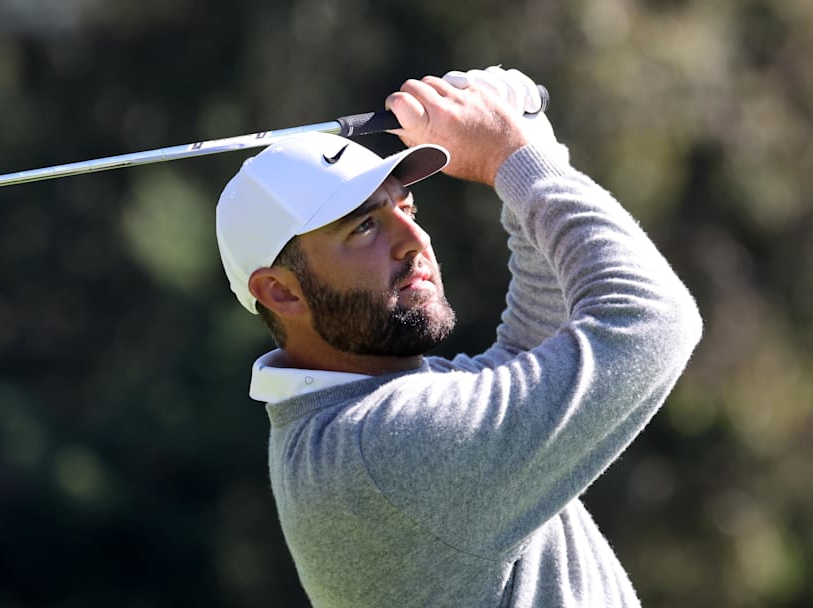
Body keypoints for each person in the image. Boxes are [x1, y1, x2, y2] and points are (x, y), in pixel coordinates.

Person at [215, 65, 702, 607]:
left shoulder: (356, 412)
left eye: (407, 208)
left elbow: (533, 348)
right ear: (281, 293)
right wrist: (509, 159)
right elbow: (650, 322)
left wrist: (534, 147)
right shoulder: (382, 450)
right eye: (365, 227)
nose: (415, 241)